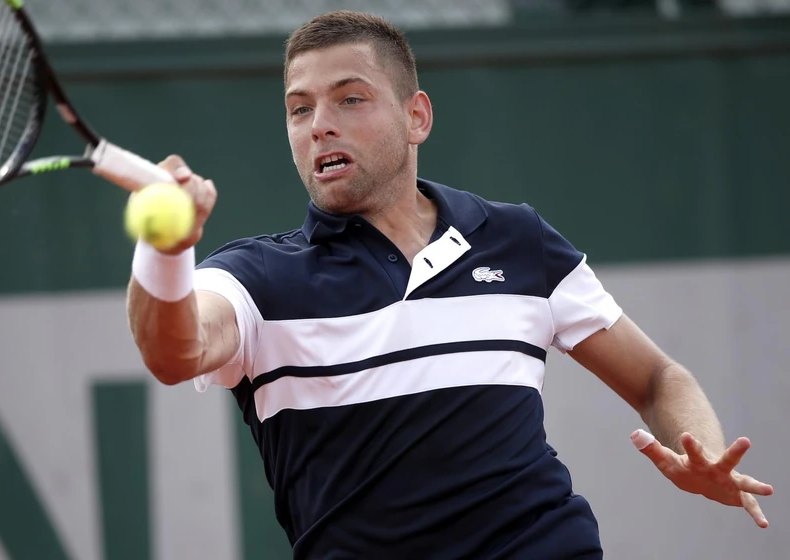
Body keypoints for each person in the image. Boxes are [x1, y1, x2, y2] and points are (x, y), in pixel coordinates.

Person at [126, 10, 773, 559]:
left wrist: (701, 451)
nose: (319, 123)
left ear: (417, 118)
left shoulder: (516, 240)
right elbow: (173, 352)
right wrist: (165, 251)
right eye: (300, 109)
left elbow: (657, 379)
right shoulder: (256, 278)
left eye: (350, 99)